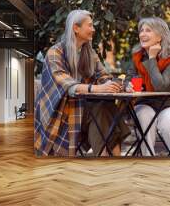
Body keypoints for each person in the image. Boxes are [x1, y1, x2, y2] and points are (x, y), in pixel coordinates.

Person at [34, 10, 130, 157]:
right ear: (76, 28)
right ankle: (114, 158)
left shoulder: (89, 52)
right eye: (90, 25)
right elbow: (68, 86)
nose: (93, 29)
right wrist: (97, 89)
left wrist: (119, 86)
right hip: (61, 111)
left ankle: (106, 157)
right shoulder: (55, 53)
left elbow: (103, 76)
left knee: (104, 108)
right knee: (102, 110)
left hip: (84, 108)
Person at [124, 17, 170, 156]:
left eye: (148, 30)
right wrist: (127, 85)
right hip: (145, 103)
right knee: (143, 118)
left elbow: (160, 86)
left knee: (168, 124)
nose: (142, 34)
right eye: (141, 30)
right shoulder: (137, 56)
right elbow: (128, 78)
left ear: (159, 36)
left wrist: (152, 58)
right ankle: (148, 160)